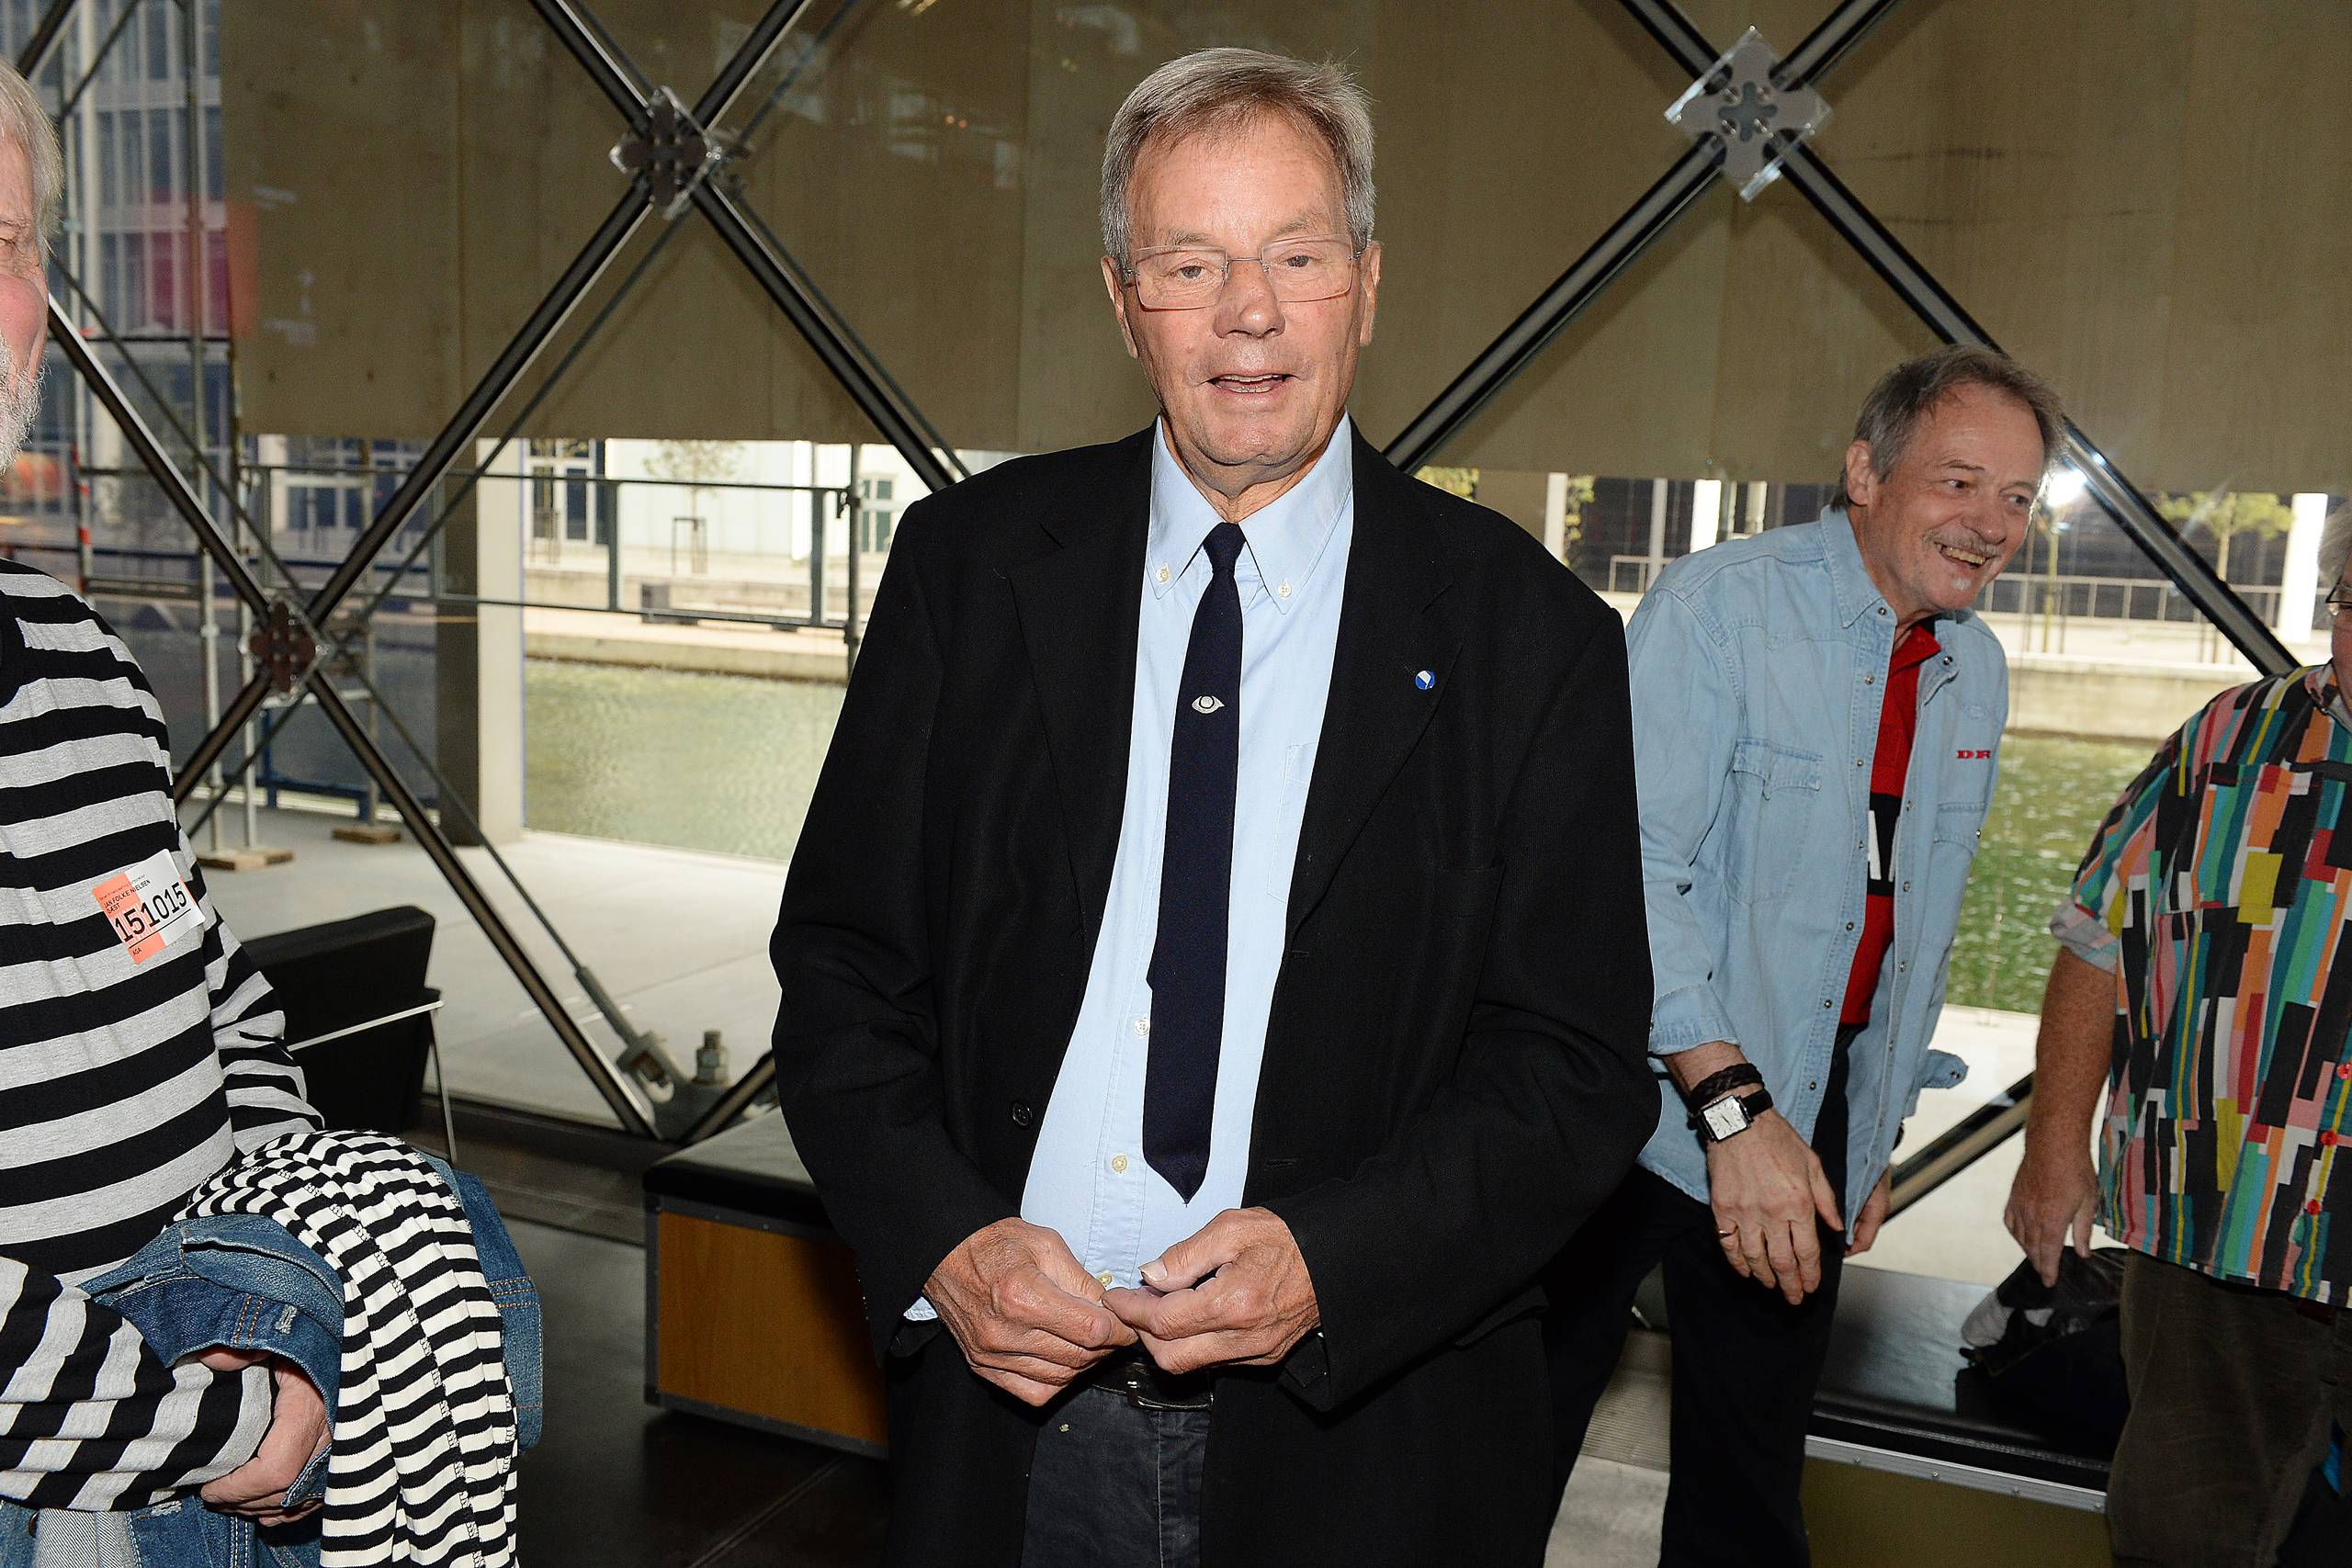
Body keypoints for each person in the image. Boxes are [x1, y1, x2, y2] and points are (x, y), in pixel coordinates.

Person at [770, 46, 1654, 1568]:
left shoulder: (1532, 634)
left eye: (1296, 254)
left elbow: (1571, 1067)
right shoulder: (969, 572)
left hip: (1363, 1455)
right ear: (1126, 303)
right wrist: (947, 1239)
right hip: (1009, 1439)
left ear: (1366, 282)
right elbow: (844, 978)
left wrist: (1337, 1259)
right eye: (1193, 262)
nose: (1250, 309)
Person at [1544, 344, 2063, 1564]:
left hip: (1809, 1116)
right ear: (1866, 472)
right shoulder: (1720, 609)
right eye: (1962, 481)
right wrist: (1735, 1111)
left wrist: (1866, 1128)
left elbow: (1913, 923)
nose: (1990, 525)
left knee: (1748, 1489)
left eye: (2020, 498)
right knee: (1505, 1448)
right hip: (1630, 1098)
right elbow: (1626, 867)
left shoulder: (1973, 670)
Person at [0, 51, 334, 1553]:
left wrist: (268, 1293)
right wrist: (220, 1424)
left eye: (2, 244)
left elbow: (218, 1003)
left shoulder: (81, 664)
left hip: (201, 1452)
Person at [2006, 504, 2352, 1567]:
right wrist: (2053, 1142)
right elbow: (2095, 939)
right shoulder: (2225, 741)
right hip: (2212, 1233)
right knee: (2175, 1533)